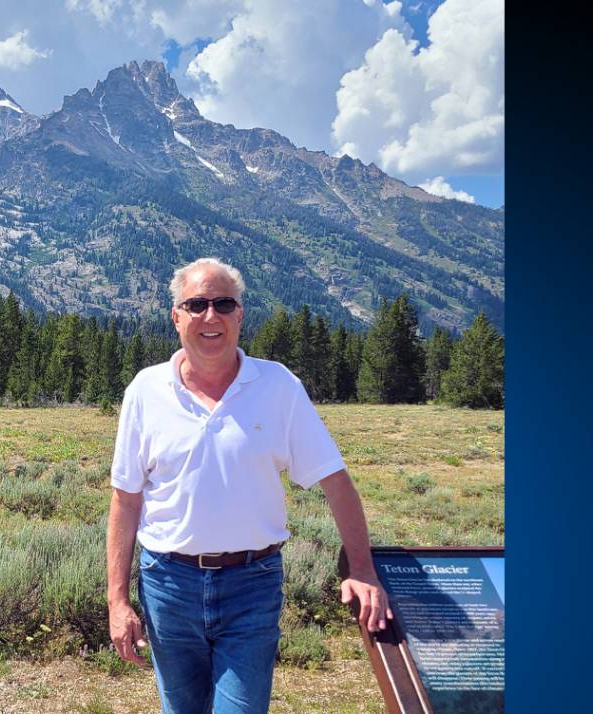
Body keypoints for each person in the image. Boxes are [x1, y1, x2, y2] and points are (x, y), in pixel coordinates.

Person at [106, 257, 391, 714]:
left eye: (223, 303)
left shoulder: (278, 385)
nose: (210, 316)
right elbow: (126, 498)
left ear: (240, 314)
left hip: (252, 585)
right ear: (176, 316)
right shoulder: (145, 390)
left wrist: (362, 568)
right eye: (196, 304)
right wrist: (117, 599)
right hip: (167, 585)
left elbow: (336, 481)